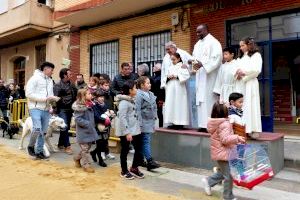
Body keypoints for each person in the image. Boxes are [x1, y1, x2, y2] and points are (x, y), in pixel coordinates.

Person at [202, 102, 245, 200]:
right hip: (224, 153)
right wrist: (237, 138)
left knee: (224, 173)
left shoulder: (215, 122)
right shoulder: (224, 124)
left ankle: (208, 181)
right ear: (225, 112)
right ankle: (227, 197)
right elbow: (225, 139)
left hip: (221, 152)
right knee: (228, 176)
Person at [191, 24, 223, 132]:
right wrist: (193, 64)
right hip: (200, 76)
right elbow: (194, 58)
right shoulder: (197, 44)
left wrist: (203, 65)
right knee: (200, 101)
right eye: (196, 32)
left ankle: (210, 125)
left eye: (199, 32)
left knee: (209, 100)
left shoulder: (214, 42)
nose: (197, 34)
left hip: (209, 77)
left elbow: (217, 59)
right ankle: (202, 124)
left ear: (206, 30)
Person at [25, 62, 57, 159]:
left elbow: (50, 95)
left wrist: (52, 103)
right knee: (37, 128)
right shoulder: (34, 78)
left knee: (43, 131)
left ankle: (39, 152)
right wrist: (44, 99)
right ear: (46, 69)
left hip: (46, 109)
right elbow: (28, 94)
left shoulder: (50, 81)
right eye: (51, 70)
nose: (52, 72)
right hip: (35, 108)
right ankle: (30, 146)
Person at [115, 80, 144, 180]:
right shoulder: (124, 103)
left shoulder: (133, 99)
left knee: (139, 148)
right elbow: (122, 118)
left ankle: (134, 168)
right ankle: (124, 170)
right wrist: (127, 132)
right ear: (130, 90)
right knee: (125, 150)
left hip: (135, 129)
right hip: (126, 131)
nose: (136, 89)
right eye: (135, 88)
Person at [235, 37, 262, 136]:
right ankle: (244, 129)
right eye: (240, 46)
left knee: (252, 106)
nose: (241, 48)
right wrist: (237, 74)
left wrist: (244, 73)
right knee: (242, 107)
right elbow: (236, 69)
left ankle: (253, 130)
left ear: (249, 45)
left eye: (243, 45)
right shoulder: (240, 58)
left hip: (251, 84)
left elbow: (256, 70)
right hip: (241, 84)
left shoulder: (256, 55)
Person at [135, 76, 160, 171]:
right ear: (142, 85)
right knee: (145, 141)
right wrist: (139, 124)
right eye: (148, 83)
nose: (150, 84)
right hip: (143, 122)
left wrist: (155, 117)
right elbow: (137, 110)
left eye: (150, 83)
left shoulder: (151, 94)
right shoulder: (138, 95)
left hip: (150, 121)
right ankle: (150, 161)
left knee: (144, 141)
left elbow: (154, 108)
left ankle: (141, 160)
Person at [72, 89, 99, 173]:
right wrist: (88, 123)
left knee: (88, 147)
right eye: (89, 94)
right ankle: (86, 165)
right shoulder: (80, 107)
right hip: (83, 132)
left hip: (89, 130)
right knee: (85, 149)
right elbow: (77, 119)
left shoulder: (90, 105)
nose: (91, 95)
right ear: (83, 96)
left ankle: (76, 158)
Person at [54, 68, 77, 154]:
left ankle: (60, 144)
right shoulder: (57, 85)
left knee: (65, 128)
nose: (71, 75)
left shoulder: (72, 84)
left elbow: (76, 94)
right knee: (65, 127)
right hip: (62, 109)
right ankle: (67, 146)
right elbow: (55, 99)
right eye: (69, 74)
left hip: (70, 108)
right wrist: (55, 111)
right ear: (64, 75)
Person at [163, 53, 190, 129]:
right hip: (171, 88)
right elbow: (165, 77)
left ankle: (180, 123)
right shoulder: (170, 67)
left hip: (179, 88)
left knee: (179, 104)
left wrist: (176, 76)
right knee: (172, 104)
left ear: (178, 59)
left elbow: (186, 76)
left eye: (174, 59)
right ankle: (173, 122)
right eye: (171, 59)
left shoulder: (182, 66)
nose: (173, 61)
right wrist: (168, 77)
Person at [90, 90, 111, 167]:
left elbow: (109, 112)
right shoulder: (94, 106)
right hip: (98, 127)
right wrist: (105, 120)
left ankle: (93, 152)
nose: (102, 98)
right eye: (100, 97)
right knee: (99, 143)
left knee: (104, 143)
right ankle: (100, 160)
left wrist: (111, 115)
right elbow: (96, 116)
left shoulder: (105, 105)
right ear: (96, 98)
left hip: (106, 127)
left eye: (102, 97)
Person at [150, 63, 165, 127]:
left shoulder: (161, 77)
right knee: (154, 111)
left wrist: (162, 98)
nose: (153, 67)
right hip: (154, 96)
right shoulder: (154, 76)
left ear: (159, 69)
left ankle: (161, 126)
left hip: (159, 97)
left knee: (159, 112)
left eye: (155, 67)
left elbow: (160, 88)